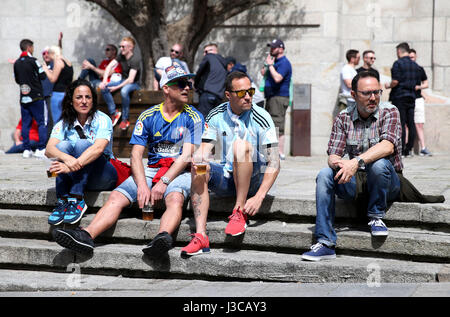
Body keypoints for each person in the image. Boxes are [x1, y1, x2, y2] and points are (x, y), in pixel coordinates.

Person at [52, 65, 204, 258]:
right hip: (151, 169)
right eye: (181, 84)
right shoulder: (149, 116)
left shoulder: (194, 117)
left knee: (174, 199)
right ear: (166, 88)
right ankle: (86, 236)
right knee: (116, 197)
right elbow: (135, 155)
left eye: (189, 84)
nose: (187, 88)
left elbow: (186, 156)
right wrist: (142, 185)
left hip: (179, 170)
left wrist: (164, 182)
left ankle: (161, 239)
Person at [302, 71, 402, 261]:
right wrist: (337, 163)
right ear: (353, 95)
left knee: (378, 164)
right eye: (366, 93)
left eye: (377, 92)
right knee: (324, 175)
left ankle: (375, 216)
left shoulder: (390, 111)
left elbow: (387, 146)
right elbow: (333, 154)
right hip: (356, 181)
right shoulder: (343, 117)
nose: (373, 98)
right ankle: (325, 242)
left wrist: (355, 162)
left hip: (387, 182)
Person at [183, 71, 280, 256]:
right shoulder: (215, 115)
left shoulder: (262, 116)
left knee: (240, 146)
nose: (248, 96)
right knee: (199, 168)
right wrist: (199, 157)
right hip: (229, 177)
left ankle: (239, 211)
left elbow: (274, 161)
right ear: (228, 95)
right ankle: (201, 235)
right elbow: (205, 147)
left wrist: (259, 197)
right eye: (242, 93)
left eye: (250, 91)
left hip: (254, 179)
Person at [45, 79, 118, 226]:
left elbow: (98, 149)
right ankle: (64, 200)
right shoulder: (64, 123)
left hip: (103, 175)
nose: (84, 101)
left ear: (93, 100)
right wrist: (67, 159)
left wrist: (68, 166)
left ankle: (77, 197)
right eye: (79, 97)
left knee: (82, 143)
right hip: (78, 174)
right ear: (71, 101)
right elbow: (49, 150)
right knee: (62, 146)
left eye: (88, 97)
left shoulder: (103, 119)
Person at [385, 42, 423, 157]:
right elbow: (417, 83)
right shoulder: (416, 66)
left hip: (399, 96)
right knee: (411, 123)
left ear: (399, 51)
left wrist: (388, 86)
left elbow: (395, 81)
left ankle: (401, 150)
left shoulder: (398, 63)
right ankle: (409, 149)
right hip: (412, 97)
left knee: (400, 123)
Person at [13, 39, 48, 159]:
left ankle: (26, 149)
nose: (33, 49)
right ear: (29, 48)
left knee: (25, 124)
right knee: (41, 122)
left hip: (24, 97)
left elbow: (17, 80)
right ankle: (41, 148)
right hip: (36, 96)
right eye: (32, 47)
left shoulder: (17, 63)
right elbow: (43, 76)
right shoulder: (34, 61)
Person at [100, 37, 141, 130]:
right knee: (104, 87)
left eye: (123, 47)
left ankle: (125, 119)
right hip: (123, 80)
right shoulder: (121, 56)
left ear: (130, 47)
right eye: (120, 46)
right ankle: (114, 112)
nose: (121, 48)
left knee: (124, 91)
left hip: (134, 83)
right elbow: (109, 67)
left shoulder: (135, 59)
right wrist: (105, 81)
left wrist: (116, 87)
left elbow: (131, 79)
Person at [261, 39, 292, 160]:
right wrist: (267, 66)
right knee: (268, 124)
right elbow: (264, 73)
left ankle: (279, 153)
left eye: (274, 48)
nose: (271, 50)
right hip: (270, 97)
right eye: (271, 47)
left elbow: (278, 78)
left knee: (277, 124)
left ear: (281, 48)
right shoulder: (275, 62)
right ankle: (272, 151)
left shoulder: (284, 63)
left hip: (278, 97)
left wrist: (270, 66)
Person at [42, 45, 74, 124]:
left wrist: (46, 70)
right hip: (67, 93)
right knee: (67, 120)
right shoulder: (67, 62)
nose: (47, 55)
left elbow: (53, 79)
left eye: (48, 53)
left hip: (58, 94)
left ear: (52, 53)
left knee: (57, 122)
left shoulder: (58, 61)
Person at [194, 43, 227, 118]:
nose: (204, 54)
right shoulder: (224, 62)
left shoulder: (208, 57)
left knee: (202, 120)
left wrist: (196, 85)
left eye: (206, 52)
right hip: (219, 97)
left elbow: (199, 73)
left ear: (213, 51)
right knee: (215, 121)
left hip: (207, 94)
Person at [409, 48, 431, 156]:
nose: (411, 59)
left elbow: (426, 84)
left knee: (419, 124)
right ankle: (407, 149)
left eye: (412, 57)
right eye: (409, 57)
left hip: (418, 99)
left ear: (416, 57)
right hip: (407, 99)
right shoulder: (404, 69)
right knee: (406, 125)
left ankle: (423, 148)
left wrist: (418, 87)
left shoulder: (419, 69)